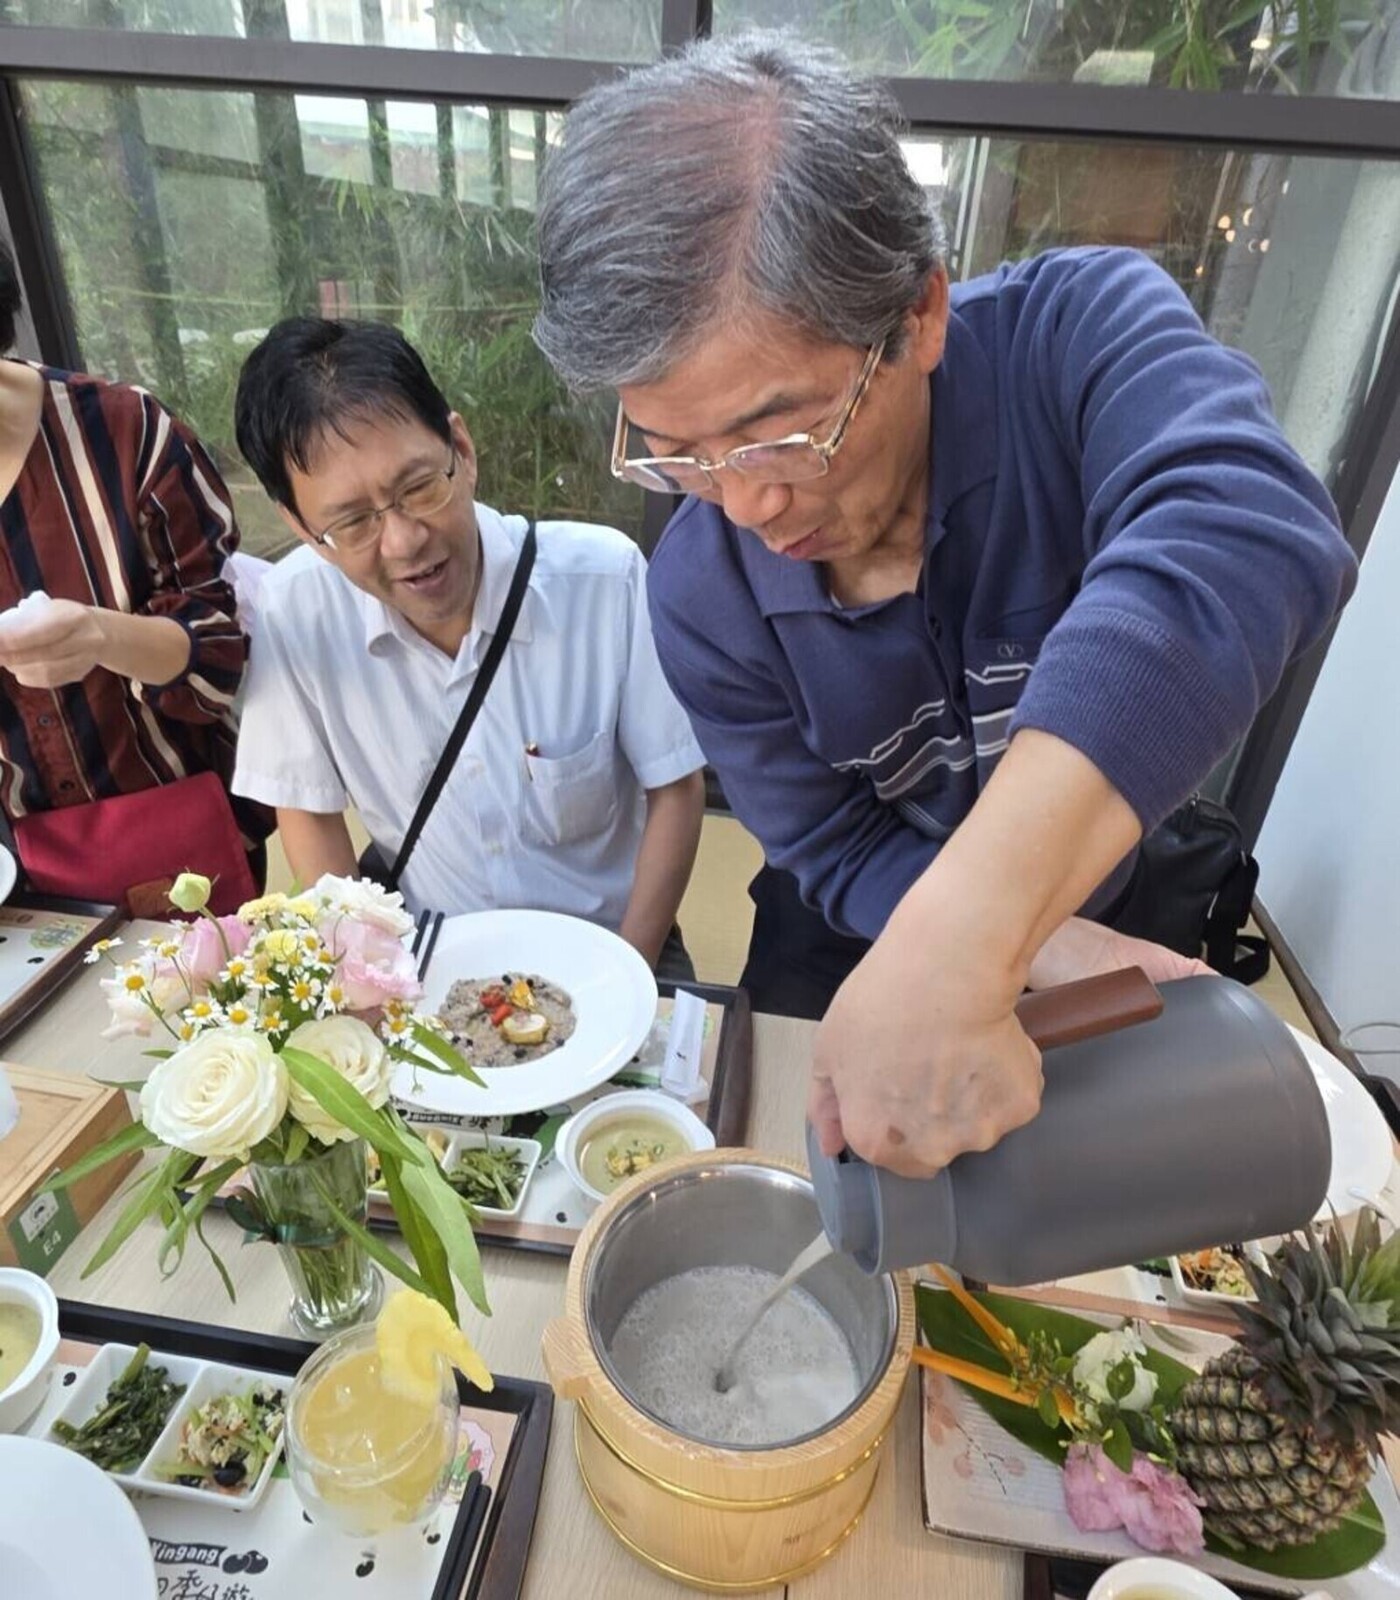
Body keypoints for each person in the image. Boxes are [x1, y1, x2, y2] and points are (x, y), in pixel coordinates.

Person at [531, 33, 1358, 1170]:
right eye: (678, 452)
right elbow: (827, 837)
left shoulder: (1072, 340)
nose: (746, 501)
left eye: (783, 430)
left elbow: (1247, 526)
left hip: (1103, 905)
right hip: (854, 941)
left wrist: (981, 931)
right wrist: (1023, 944)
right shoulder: (697, 591)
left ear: (918, 313)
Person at [231, 317, 706, 976]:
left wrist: (624, 972)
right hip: (426, 958)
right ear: (303, 528)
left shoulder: (605, 580)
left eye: (419, 487)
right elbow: (308, 813)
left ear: (461, 446)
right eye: (352, 521)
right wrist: (367, 975)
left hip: (613, 941)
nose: (403, 541)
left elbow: (675, 788)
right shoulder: (295, 610)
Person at [0, 238, 268, 909]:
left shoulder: (124, 433)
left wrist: (98, 636)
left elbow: (218, 659)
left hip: (180, 839)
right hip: (18, 876)